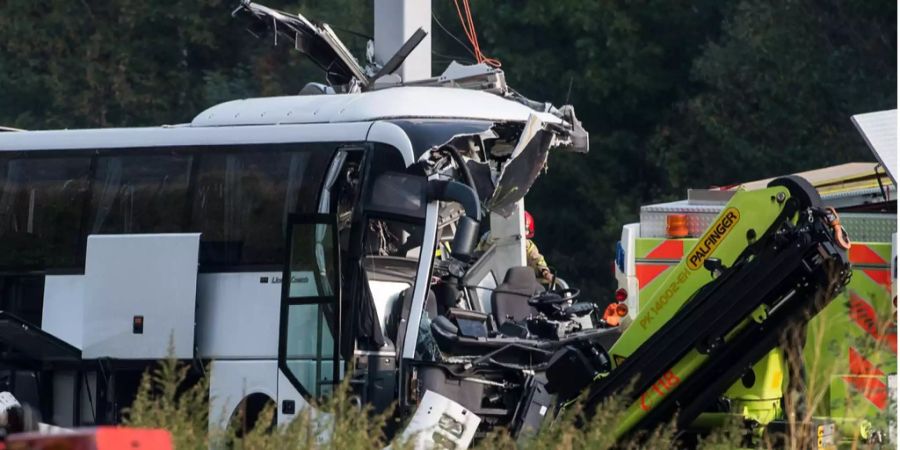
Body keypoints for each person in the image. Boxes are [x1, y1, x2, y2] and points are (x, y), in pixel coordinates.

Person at [524, 211, 554, 283]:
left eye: (525, 229)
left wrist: (545, 272)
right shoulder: (494, 241)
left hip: (522, 283)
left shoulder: (528, 245)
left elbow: (537, 259)